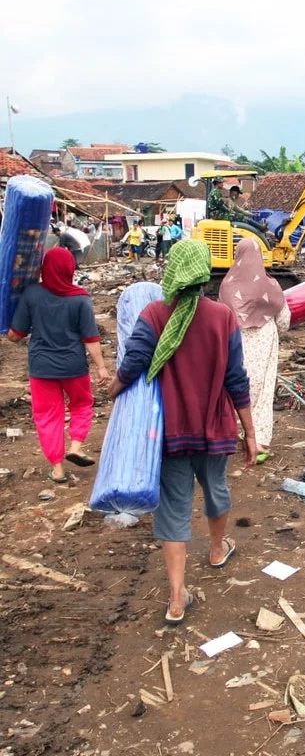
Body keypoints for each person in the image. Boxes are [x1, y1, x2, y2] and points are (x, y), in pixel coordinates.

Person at [109, 240, 256, 625]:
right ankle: (216, 549)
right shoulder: (223, 317)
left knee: (173, 507)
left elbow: (133, 362)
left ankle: (177, 597)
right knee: (216, 489)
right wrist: (251, 434)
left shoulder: (155, 314)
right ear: (204, 273)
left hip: (169, 433)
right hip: (214, 430)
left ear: (173, 271)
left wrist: (112, 391)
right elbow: (236, 380)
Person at [7, 248, 110, 483]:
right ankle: (75, 446)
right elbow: (90, 337)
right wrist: (101, 367)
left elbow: (16, 334)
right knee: (82, 404)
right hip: (74, 366)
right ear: (70, 269)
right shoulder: (81, 298)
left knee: (47, 416)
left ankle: (57, 469)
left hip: (41, 368)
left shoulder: (32, 294)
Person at [219, 239, 289, 462]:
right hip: (265, 341)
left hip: (236, 344)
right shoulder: (270, 285)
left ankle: (237, 433)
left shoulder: (226, 285)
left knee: (237, 388)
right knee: (264, 390)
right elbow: (284, 321)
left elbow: (221, 319)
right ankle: (259, 442)